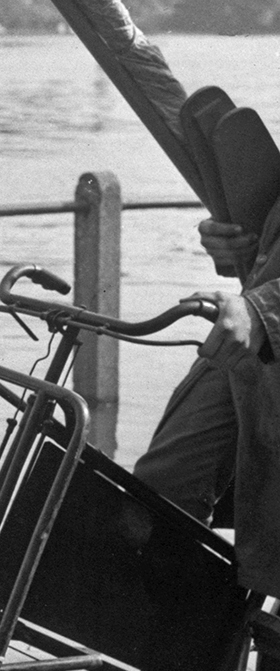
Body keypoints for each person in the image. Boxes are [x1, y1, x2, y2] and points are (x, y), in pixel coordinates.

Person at [133, 216, 280, 599]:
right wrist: (242, 245)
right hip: (254, 331)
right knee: (164, 490)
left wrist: (267, 310)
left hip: (264, 318)